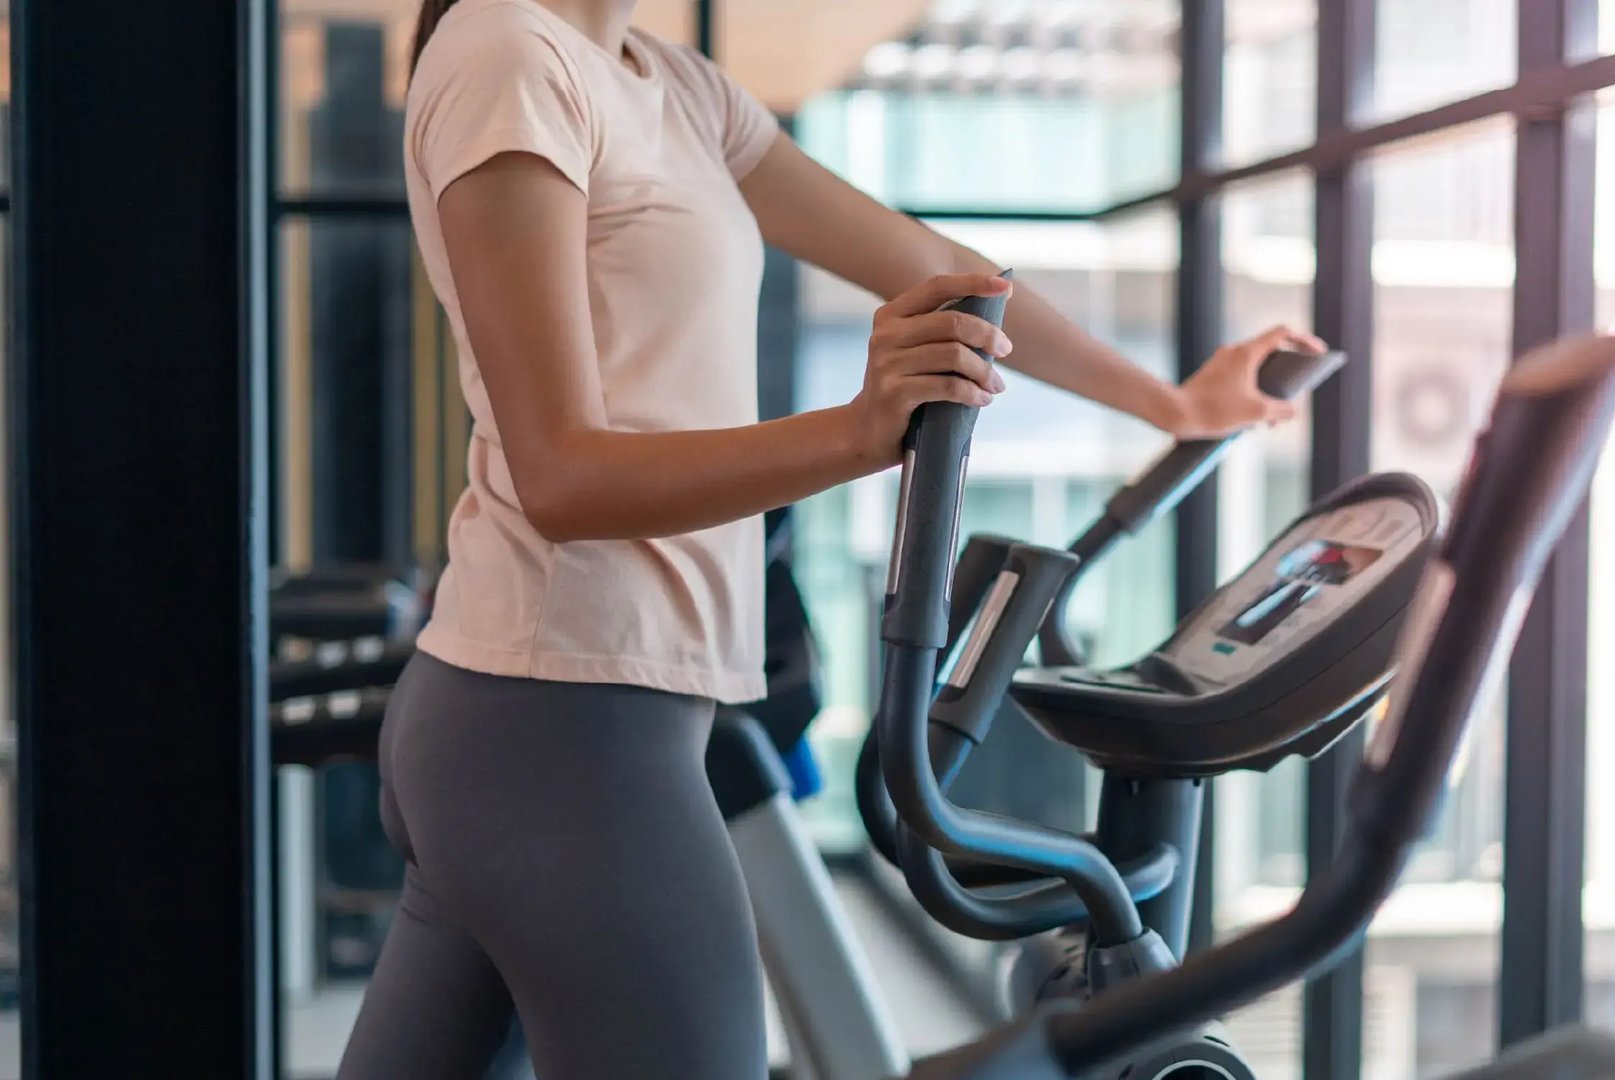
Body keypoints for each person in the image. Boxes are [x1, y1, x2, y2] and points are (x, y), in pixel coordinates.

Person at [336, 0, 1323, 1076]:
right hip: (559, 723)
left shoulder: (666, 80)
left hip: (558, 721)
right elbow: (562, 473)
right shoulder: (506, 54)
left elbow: (942, 270)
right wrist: (860, 433)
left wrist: (1169, 404)